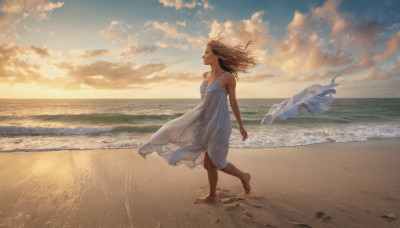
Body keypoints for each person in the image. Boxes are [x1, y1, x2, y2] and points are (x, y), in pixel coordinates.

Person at [138, 36, 257, 204]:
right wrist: (193, 122)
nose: (203, 56)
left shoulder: (228, 78)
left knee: (218, 162)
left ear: (216, 55)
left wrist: (242, 127)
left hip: (219, 125)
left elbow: (234, 103)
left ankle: (244, 176)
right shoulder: (205, 75)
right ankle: (212, 196)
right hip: (205, 124)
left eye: (206, 52)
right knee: (208, 164)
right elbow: (203, 104)